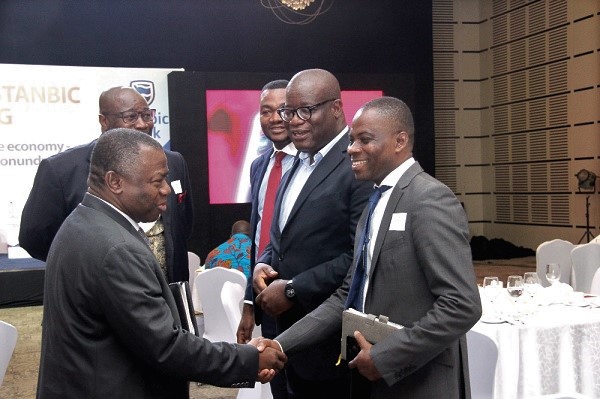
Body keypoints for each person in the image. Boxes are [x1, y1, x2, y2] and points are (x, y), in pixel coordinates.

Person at [37, 128, 286, 398]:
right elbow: (165, 348)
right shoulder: (118, 249)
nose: (167, 189)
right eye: (158, 181)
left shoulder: (82, 222)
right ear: (115, 182)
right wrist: (249, 360)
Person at [273, 97, 483, 399]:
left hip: (419, 382)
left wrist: (386, 357)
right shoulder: (375, 201)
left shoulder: (429, 199)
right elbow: (348, 295)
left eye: (364, 140)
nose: (351, 149)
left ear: (400, 141)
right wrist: (281, 344)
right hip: (371, 379)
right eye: (351, 140)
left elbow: (462, 305)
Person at [252, 69, 372, 398]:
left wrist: (292, 289)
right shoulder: (297, 160)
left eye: (305, 110)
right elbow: (282, 234)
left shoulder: (357, 165)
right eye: (290, 112)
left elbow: (357, 258)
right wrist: (264, 262)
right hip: (287, 333)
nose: (293, 121)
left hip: (329, 339)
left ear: (336, 108)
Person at [19, 86, 193, 283]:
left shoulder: (174, 162)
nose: (142, 124)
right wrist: (80, 264)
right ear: (104, 121)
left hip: (168, 295)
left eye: (147, 115)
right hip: (96, 296)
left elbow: (183, 225)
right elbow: (33, 238)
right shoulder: (61, 170)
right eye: (130, 117)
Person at [236, 79, 297, 399]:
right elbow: (259, 237)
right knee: (279, 388)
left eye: (283, 110)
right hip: (265, 297)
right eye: (266, 111)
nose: (274, 118)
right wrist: (250, 303)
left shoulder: (310, 165)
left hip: (303, 298)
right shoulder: (259, 165)